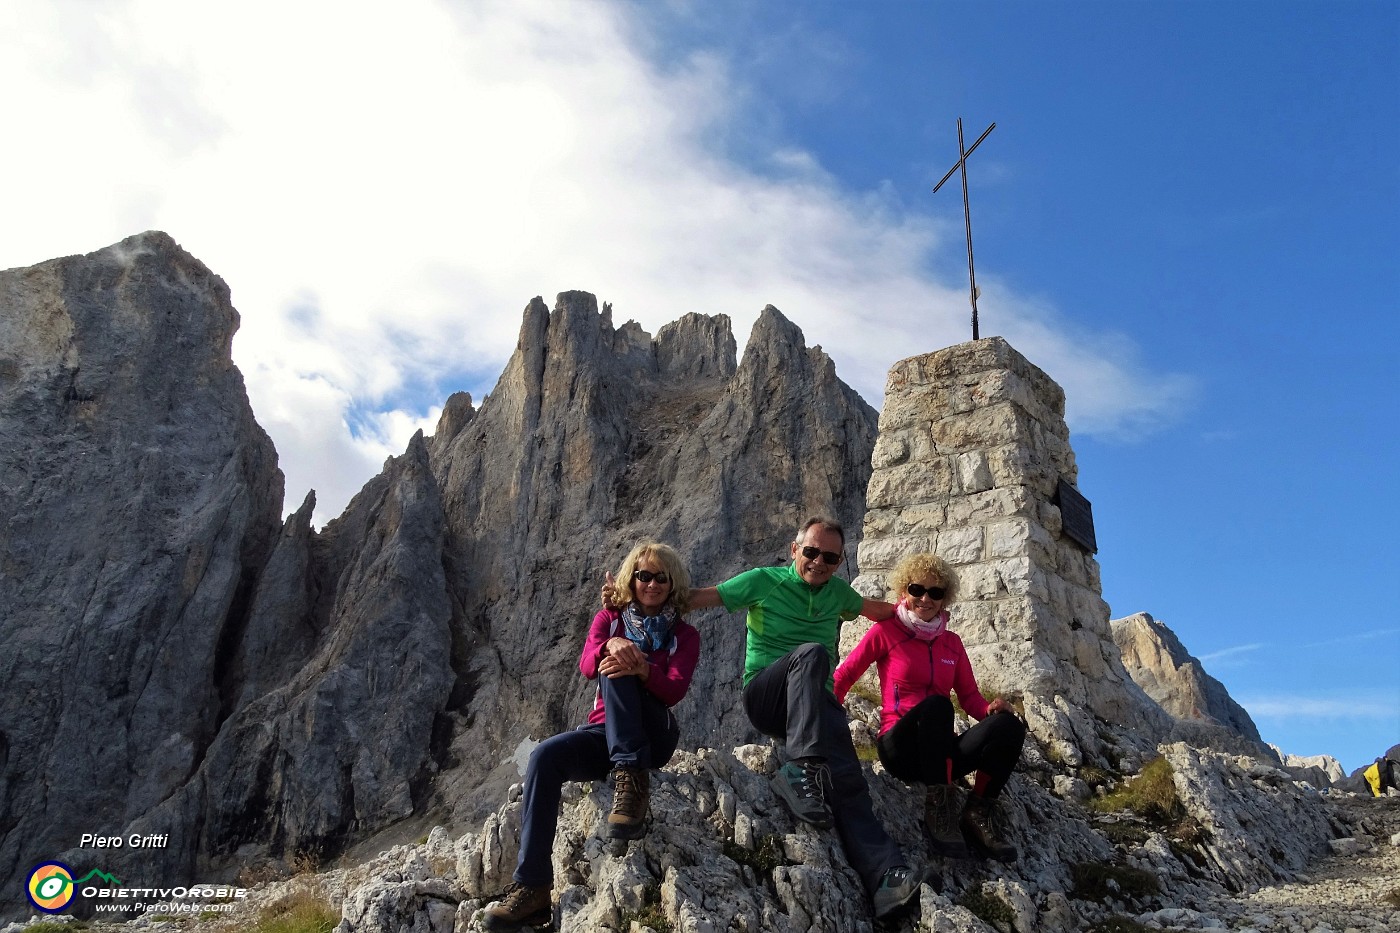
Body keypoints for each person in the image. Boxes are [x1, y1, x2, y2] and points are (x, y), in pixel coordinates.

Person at [686, 517, 933, 921]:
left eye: (831, 557)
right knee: (813, 654)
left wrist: (924, 610)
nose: (819, 562)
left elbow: (881, 611)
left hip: (814, 706)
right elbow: (699, 597)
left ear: (838, 563)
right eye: (812, 552)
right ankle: (800, 770)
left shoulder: (838, 594)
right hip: (765, 696)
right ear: (794, 549)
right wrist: (631, 594)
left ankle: (886, 879)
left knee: (849, 782)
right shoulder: (765, 581)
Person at [484, 542, 701, 932]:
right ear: (631, 580)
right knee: (544, 759)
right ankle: (532, 888)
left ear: (673, 583)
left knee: (618, 666)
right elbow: (587, 665)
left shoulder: (684, 634)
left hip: (655, 733)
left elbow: (674, 688)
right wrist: (610, 644)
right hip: (604, 733)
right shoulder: (608, 619)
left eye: (661, 577)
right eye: (643, 575)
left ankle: (633, 779)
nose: (651, 584)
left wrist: (639, 666)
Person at [833, 552, 1027, 862]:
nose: (925, 598)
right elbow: (844, 676)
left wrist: (991, 710)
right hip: (899, 747)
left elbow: (970, 699)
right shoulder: (887, 631)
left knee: (1010, 725)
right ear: (903, 592)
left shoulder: (952, 643)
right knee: (937, 705)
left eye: (935, 593)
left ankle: (976, 814)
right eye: (917, 590)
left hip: (939, 751)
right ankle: (941, 813)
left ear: (944, 599)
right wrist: (825, 719)